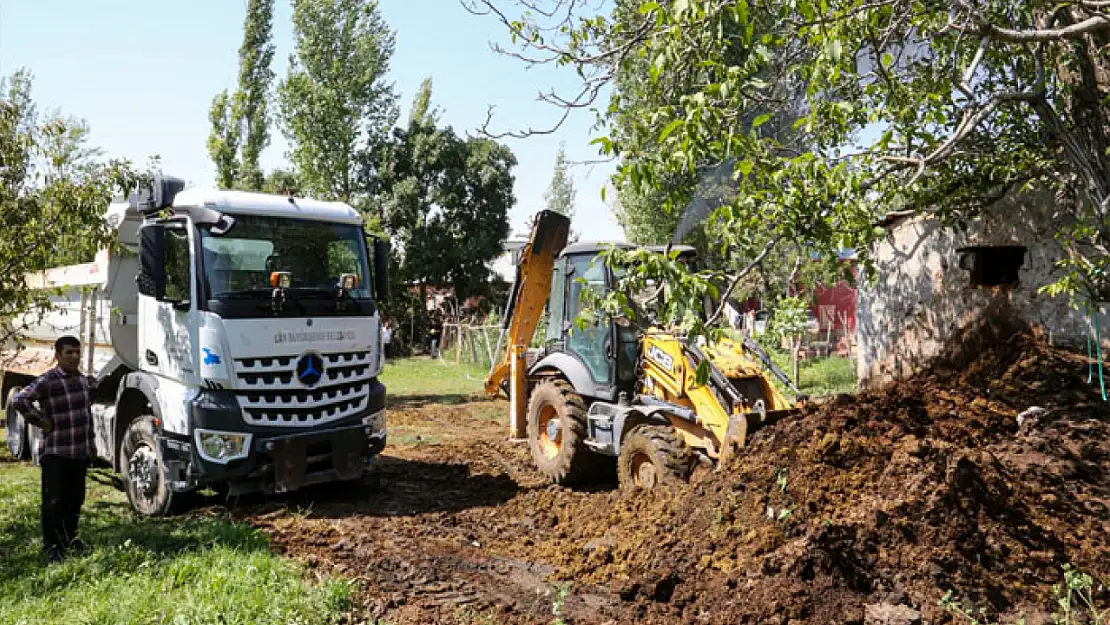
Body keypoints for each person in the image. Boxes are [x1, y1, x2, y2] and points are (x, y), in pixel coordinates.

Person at [11, 335, 95, 563]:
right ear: (57, 355)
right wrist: (41, 421)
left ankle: (69, 539)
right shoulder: (48, 380)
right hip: (56, 452)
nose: (74, 357)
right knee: (53, 502)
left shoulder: (82, 381)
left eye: (77, 352)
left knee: (75, 499)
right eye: (69, 353)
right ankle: (52, 547)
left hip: (78, 451)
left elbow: (87, 416)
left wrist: (91, 444)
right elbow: (20, 400)